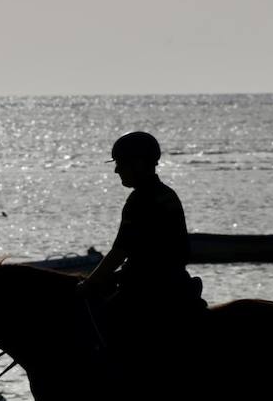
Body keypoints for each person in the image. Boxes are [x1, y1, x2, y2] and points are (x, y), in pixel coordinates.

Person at [76, 131, 202, 352]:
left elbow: (119, 252)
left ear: (138, 163)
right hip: (177, 283)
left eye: (121, 163)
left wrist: (89, 284)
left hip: (147, 292)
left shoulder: (140, 200)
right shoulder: (167, 194)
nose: (116, 170)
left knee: (95, 330)